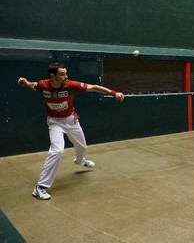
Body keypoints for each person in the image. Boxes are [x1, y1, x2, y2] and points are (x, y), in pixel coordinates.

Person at [17, 62, 125, 200]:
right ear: (53, 76)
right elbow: (33, 85)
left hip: (71, 120)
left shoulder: (70, 85)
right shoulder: (43, 85)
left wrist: (113, 93)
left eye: (66, 73)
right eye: (62, 74)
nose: (66, 76)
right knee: (57, 150)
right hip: (54, 122)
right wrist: (25, 83)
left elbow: (93, 87)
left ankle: (80, 161)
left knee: (82, 147)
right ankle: (40, 187)